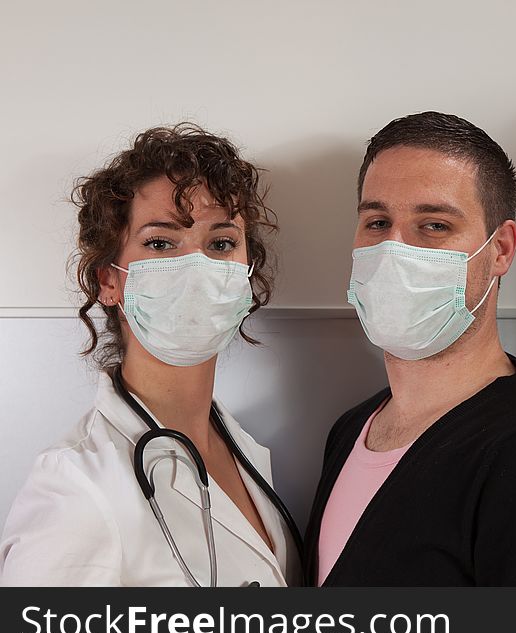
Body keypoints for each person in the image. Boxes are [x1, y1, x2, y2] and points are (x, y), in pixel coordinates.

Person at [304, 111, 516, 586]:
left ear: (500, 249)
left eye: (434, 225)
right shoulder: (352, 429)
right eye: (377, 221)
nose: (395, 250)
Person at [0, 124, 303, 586]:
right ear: (108, 280)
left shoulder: (243, 448)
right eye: (160, 243)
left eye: (221, 243)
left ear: (246, 271)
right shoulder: (76, 488)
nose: (197, 265)